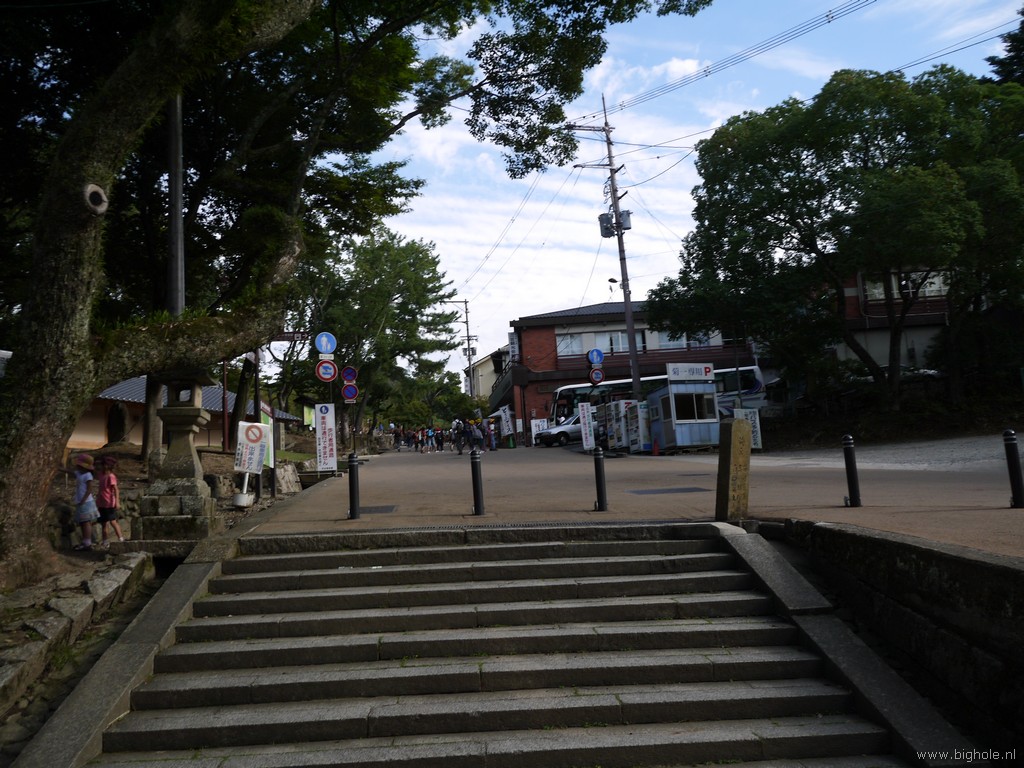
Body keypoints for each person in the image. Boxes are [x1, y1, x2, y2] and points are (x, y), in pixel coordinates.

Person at [69, 454, 99, 550]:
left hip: (86, 501)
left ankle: (87, 542)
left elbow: (89, 489)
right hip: (80, 500)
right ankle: (85, 541)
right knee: (82, 522)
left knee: (86, 522)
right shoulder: (79, 473)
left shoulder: (88, 475)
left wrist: (83, 500)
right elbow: (70, 472)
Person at [95, 456, 126, 547]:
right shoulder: (101, 475)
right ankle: (105, 541)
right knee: (104, 523)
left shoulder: (111, 477)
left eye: (103, 464)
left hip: (109, 503)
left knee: (113, 521)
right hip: (101, 503)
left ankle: (121, 538)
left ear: (108, 466)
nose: (101, 466)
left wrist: (117, 502)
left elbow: (116, 489)